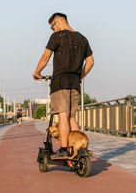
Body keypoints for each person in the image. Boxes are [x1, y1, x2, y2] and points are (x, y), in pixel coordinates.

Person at [33, 13, 94, 158]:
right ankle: (78, 150)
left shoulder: (57, 36)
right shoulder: (82, 38)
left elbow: (45, 56)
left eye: (52, 27)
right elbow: (90, 62)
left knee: (63, 116)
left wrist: (36, 72)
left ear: (57, 23)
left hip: (60, 82)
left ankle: (65, 149)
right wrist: (80, 76)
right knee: (72, 116)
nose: (53, 30)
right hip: (75, 83)